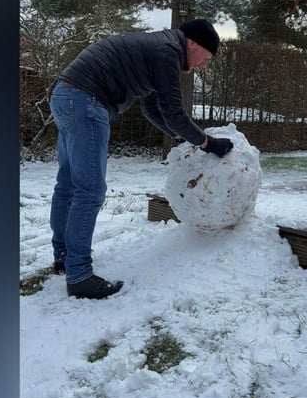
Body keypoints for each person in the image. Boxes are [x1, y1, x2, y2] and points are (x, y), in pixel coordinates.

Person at [49, 19, 235, 299]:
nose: (202, 65)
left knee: (69, 184)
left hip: (66, 95)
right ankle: (79, 275)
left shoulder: (157, 49)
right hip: (86, 100)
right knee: (90, 189)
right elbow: (173, 112)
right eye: (206, 58)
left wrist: (181, 137)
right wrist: (208, 143)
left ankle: (63, 256)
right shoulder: (167, 52)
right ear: (192, 44)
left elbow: (152, 109)